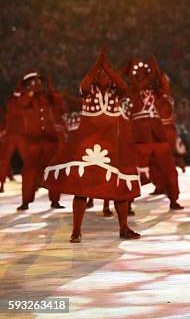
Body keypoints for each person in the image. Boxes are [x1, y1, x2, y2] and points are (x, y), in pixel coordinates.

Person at [43, 49, 141, 242]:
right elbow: (85, 83)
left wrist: (107, 68)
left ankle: (123, 228)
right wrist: (98, 65)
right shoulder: (88, 91)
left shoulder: (116, 92)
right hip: (89, 145)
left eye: (106, 74)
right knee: (82, 189)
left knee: (119, 188)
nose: (103, 76)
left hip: (113, 144)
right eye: (99, 74)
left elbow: (123, 86)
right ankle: (76, 231)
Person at [126, 57, 183, 210]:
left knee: (169, 169)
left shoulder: (157, 93)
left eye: (146, 76)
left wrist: (155, 66)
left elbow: (161, 81)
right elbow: (128, 80)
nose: (144, 79)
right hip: (140, 138)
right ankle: (128, 202)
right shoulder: (132, 93)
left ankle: (173, 199)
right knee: (134, 171)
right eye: (140, 76)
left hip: (158, 137)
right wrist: (130, 68)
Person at [15, 72, 64, 210]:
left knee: (53, 170)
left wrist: (50, 88)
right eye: (33, 82)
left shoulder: (47, 96)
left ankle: (55, 200)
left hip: (50, 139)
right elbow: (23, 103)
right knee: (30, 172)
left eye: (38, 82)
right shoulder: (24, 97)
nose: (37, 85)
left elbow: (59, 103)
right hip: (33, 140)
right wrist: (30, 91)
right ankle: (26, 201)